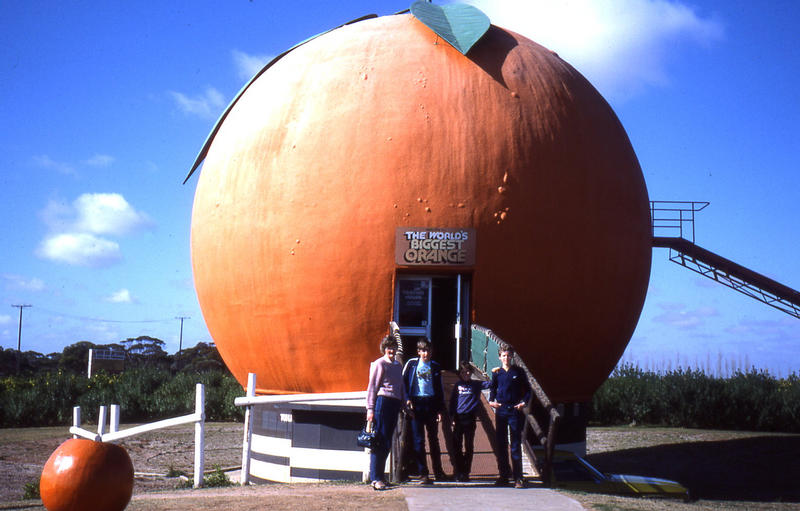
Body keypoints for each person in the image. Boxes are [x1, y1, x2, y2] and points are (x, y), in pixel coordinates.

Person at [402, 339, 446, 484]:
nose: (426, 354)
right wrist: (407, 399)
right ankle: (423, 473)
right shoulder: (412, 364)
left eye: (428, 351)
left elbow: (439, 389)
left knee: (433, 439)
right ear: (418, 351)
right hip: (416, 404)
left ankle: (438, 472)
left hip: (431, 403)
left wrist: (440, 409)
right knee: (418, 440)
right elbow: (404, 383)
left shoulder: (435, 366)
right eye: (423, 351)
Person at [366, 335, 406, 491]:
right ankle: (375, 478)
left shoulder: (397, 365)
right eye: (389, 348)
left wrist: (404, 404)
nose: (391, 350)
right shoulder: (379, 364)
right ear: (384, 349)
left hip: (394, 404)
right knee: (379, 440)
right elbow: (372, 387)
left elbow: (400, 387)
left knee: (387, 441)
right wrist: (370, 409)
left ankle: (381, 476)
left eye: (393, 347)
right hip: (383, 403)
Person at [489, 345, 531, 488]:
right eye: (503, 356)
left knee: (515, 444)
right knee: (501, 444)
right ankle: (503, 476)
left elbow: (528, 390)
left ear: (512, 357)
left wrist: (523, 402)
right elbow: (493, 388)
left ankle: (518, 478)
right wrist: (491, 401)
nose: (506, 358)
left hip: (514, 410)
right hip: (501, 410)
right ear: (500, 357)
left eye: (508, 355)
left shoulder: (518, 372)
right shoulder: (497, 373)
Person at [449, 361, 490, 482]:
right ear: (460, 374)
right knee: (457, 445)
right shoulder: (457, 385)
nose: (465, 374)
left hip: (470, 418)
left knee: (469, 445)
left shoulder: (476, 385)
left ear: (471, 373)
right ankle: (459, 470)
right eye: (463, 372)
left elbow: (491, 384)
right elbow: (452, 402)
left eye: (468, 372)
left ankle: (466, 472)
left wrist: (495, 374)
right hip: (458, 417)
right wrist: (451, 417)